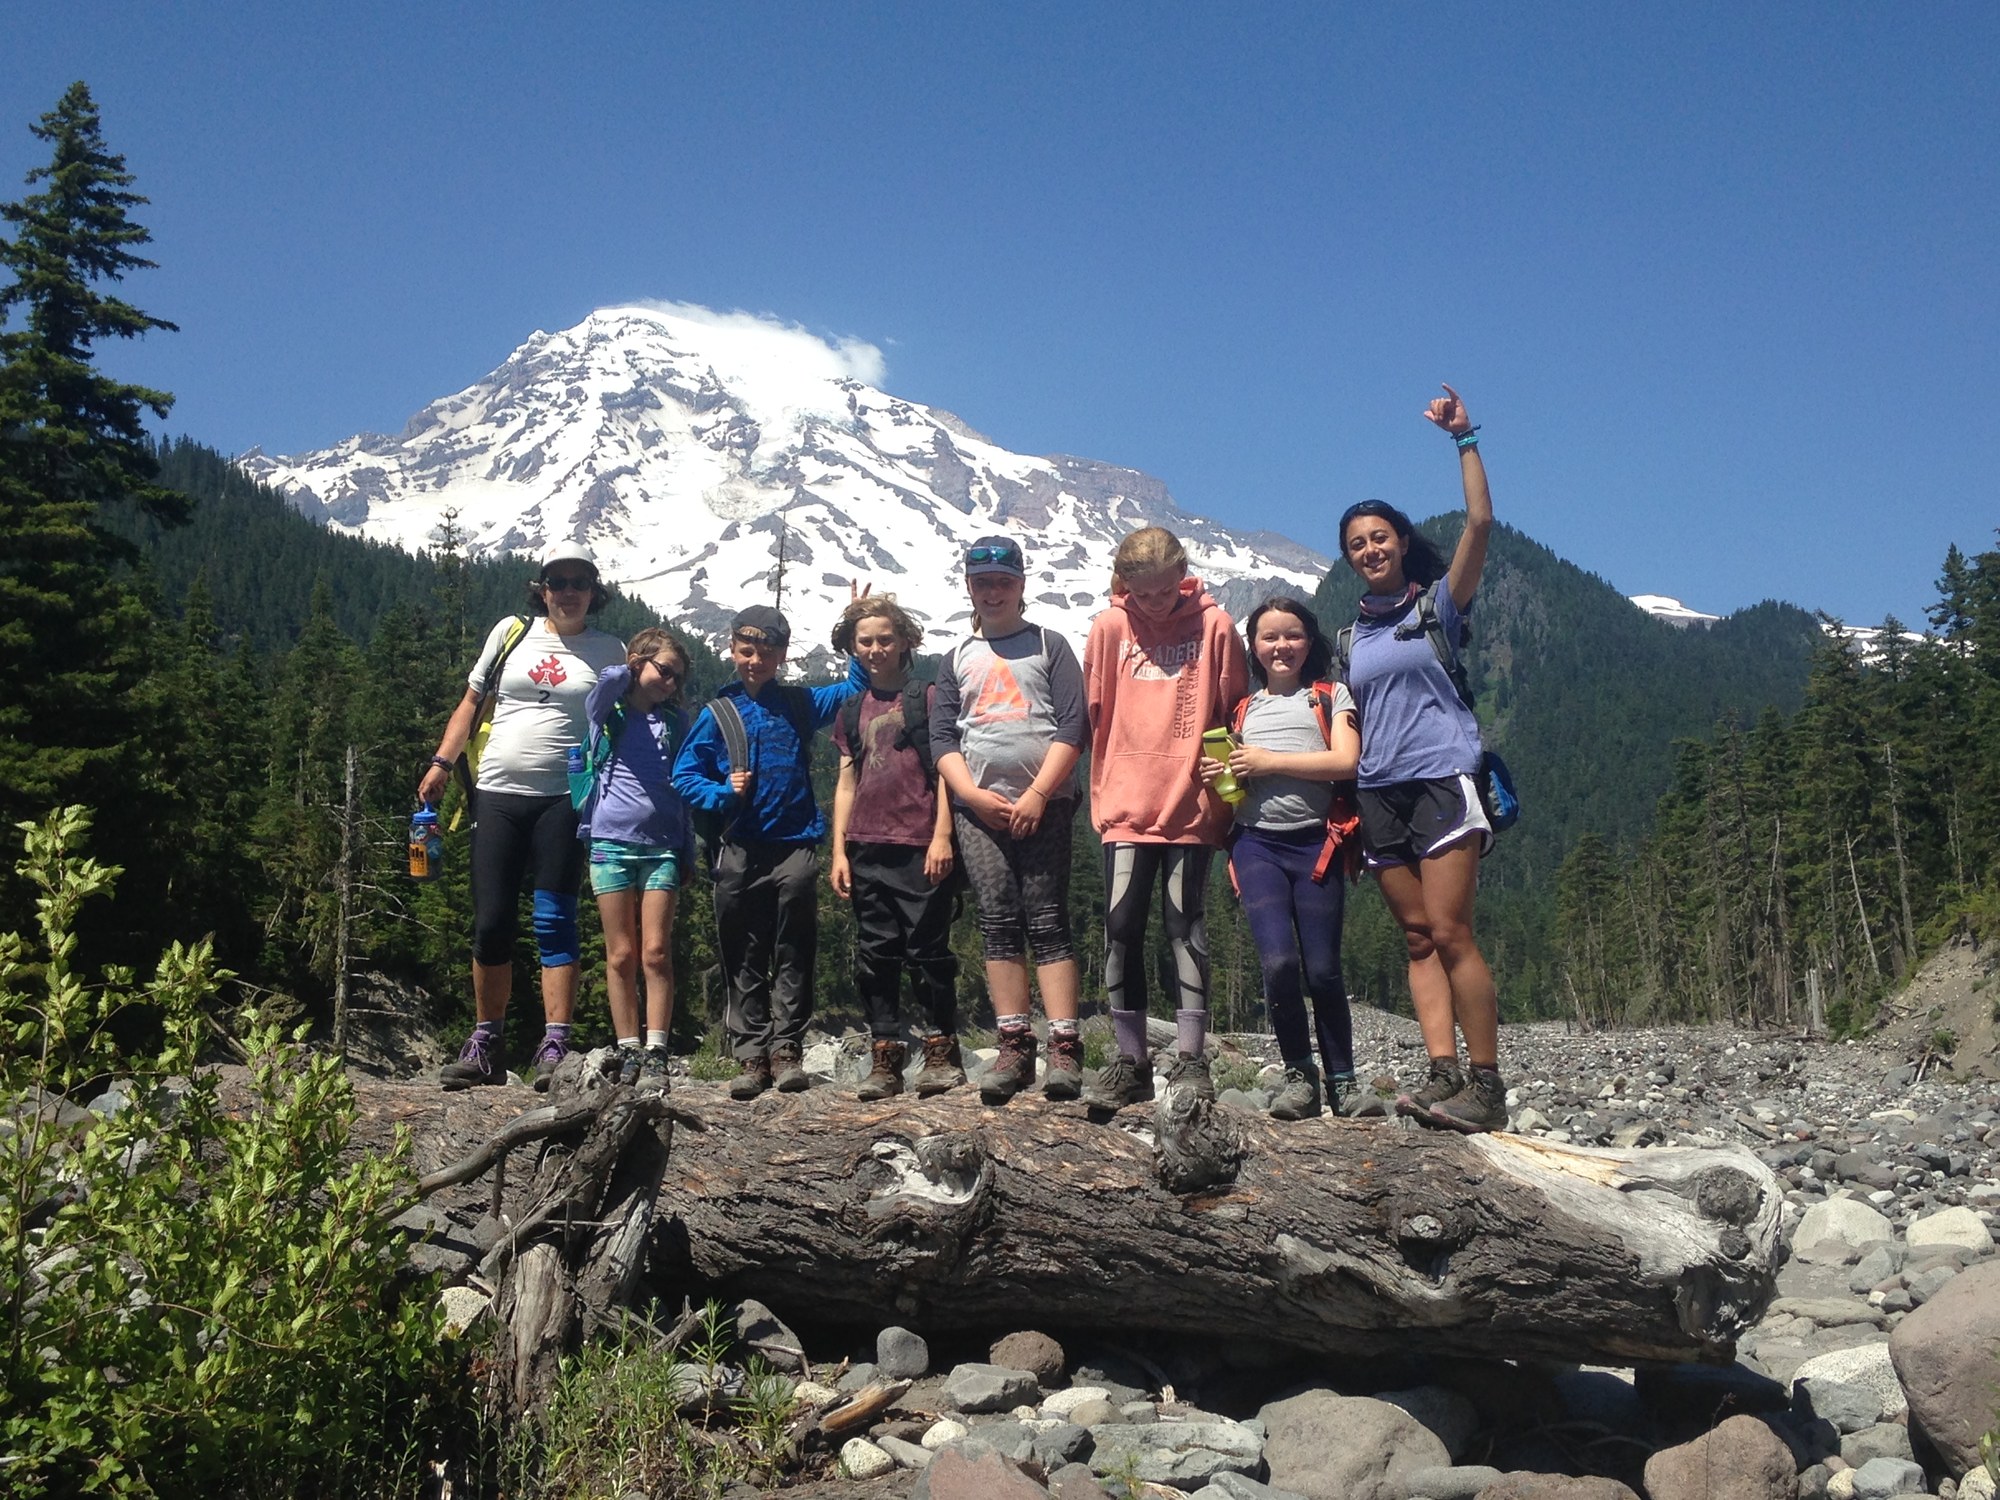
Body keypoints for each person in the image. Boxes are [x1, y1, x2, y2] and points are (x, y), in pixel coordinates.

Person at [1338, 383, 1506, 1133]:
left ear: (1400, 541)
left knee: (1451, 932)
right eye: (1357, 545)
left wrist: (1464, 439)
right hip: (1379, 794)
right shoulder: (1350, 639)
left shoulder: (1436, 608)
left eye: (1379, 537)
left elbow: (1480, 522)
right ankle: (1441, 1073)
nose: (1370, 549)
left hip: (1444, 780)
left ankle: (1487, 1083)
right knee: (1415, 938)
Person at [421, 542, 626, 1091]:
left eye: (579, 582)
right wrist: (442, 761)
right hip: (497, 793)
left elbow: (626, 720)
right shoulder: (510, 632)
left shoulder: (611, 649)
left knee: (554, 920)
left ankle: (555, 1043)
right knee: (491, 922)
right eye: (557, 582)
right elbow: (471, 701)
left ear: (593, 590)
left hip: (565, 799)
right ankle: (487, 1041)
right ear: (542, 588)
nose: (568, 592)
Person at [1081, 527, 1249, 1110]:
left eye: (1164, 591)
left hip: (1191, 804)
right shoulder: (1108, 628)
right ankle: (1131, 1062)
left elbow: (1231, 715)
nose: (1154, 603)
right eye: (1141, 593)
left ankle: (1191, 1061)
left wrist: (1228, 798)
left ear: (1183, 575)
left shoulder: (1216, 627)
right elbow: (1093, 712)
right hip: (1126, 803)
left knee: (1186, 926)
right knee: (1120, 928)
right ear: (1124, 584)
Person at [671, 601, 865, 1099]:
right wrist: (721, 793)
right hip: (737, 846)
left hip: (795, 843)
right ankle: (751, 1054)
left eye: (766, 651)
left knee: (794, 947)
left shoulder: (798, 704)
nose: (754, 659)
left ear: (781, 655)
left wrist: (852, 626)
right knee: (743, 950)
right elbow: (684, 775)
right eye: (746, 649)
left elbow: (854, 690)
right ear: (733, 650)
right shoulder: (719, 713)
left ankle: (786, 1050)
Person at [930, 536, 1089, 1104]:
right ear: (968, 587)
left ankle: (1065, 1048)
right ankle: (1015, 1045)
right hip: (980, 810)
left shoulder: (1051, 644)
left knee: (1047, 918)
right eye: (982, 583)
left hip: (1045, 805)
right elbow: (943, 736)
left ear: (1021, 585)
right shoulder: (956, 658)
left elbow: (1074, 726)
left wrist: (1040, 793)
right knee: (997, 918)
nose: (993, 591)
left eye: (1004, 581)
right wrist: (970, 795)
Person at [1203, 598, 1368, 1120]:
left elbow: (1346, 761)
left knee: (1322, 971)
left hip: (1317, 843)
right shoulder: (1242, 710)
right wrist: (1223, 780)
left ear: (1309, 641)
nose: (1282, 646)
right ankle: (1301, 1075)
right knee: (1278, 964)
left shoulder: (1329, 695)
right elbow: (1232, 794)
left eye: (1292, 635)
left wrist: (1269, 761)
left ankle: (1343, 1080)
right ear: (1254, 647)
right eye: (1269, 637)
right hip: (1256, 844)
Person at [828, 595, 963, 1099]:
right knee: (875, 953)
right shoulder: (850, 708)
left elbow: (948, 773)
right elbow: (846, 783)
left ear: (906, 640)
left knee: (928, 951)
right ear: (853, 647)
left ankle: (940, 1050)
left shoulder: (925, 699)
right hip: (866, 845)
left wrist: (942, 835)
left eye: (886, 638)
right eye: (866, 641)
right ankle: (885, 1053)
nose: (876, 648)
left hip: (919, 844)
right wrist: (838, 850)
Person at [578, 627, 694, 1095]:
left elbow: (683, 792)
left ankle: (656, 1049)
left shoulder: (676, 723)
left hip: (662, 845)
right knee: (621, 953)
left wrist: (687, 848)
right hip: (609, 842)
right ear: (638, 662)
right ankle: (627, 1047)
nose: (669, 681)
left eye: (677, 677)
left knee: (656, 951)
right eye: (663, 669)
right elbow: (604, 684)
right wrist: (626, 667)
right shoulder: (608, 711)